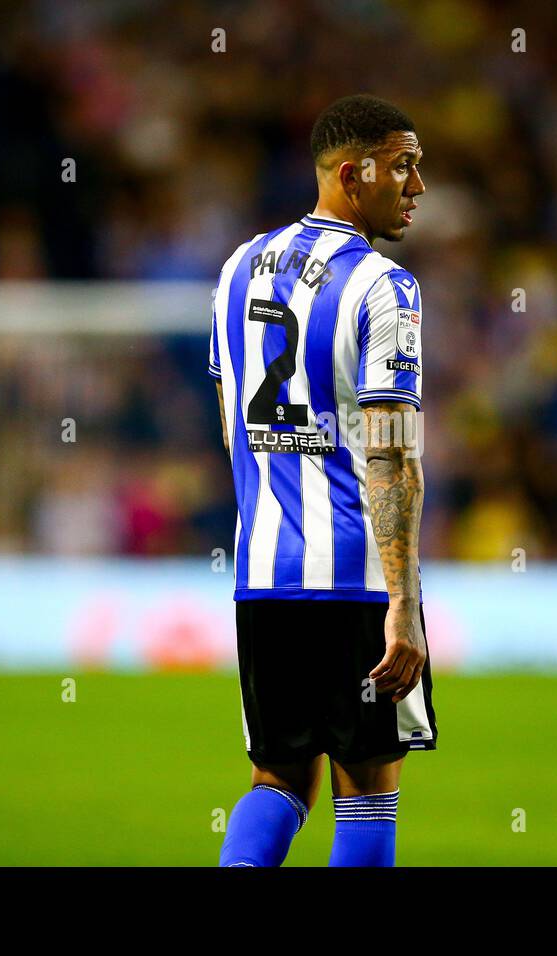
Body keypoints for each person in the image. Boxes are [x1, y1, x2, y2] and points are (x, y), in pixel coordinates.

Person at [209, 94, 436, 867]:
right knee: (369, 789)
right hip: (358, 583)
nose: (417, 186)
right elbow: (391, 454)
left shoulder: (237, 267)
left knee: (276, 780)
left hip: (264, 574)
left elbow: (231, 420)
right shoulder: (384, 286)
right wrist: (404, 603)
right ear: (352, 172)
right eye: (403, 166)